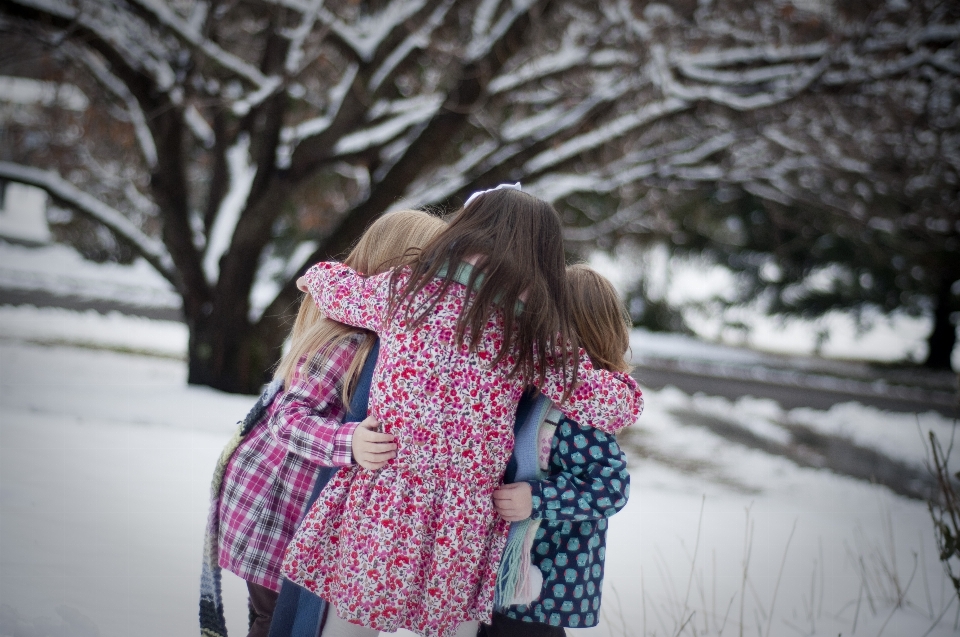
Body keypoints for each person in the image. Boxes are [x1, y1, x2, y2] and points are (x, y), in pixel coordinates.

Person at [282, 185, 644, 637]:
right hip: (464, 518)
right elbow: (613, 406)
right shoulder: (532, 336)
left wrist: (314, 278)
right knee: (451, 628)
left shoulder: (407, 290)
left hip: (389, 493)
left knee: (350, 623)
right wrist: (624, 383)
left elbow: (335, 287)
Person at [207, 210, 446, 637]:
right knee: (275, 619)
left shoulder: (393, 343)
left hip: (298, 503)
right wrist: (349, 441)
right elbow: (289, 418)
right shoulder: (350, 340)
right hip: (277, 505)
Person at [484, 264, 633, 636]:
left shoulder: (581, 414)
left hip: (546, 580)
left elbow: (612, 488)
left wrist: (537, 498)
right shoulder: (532, 395)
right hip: (508, 571)